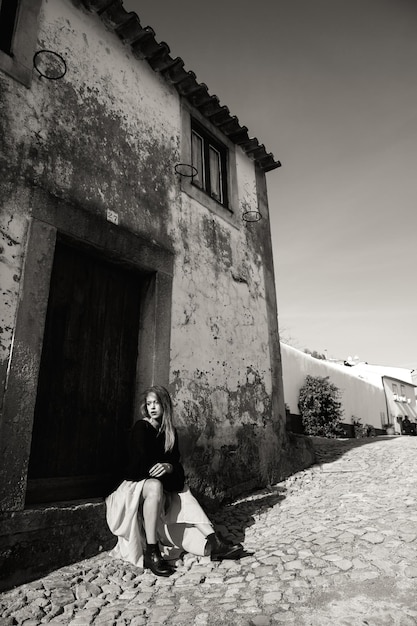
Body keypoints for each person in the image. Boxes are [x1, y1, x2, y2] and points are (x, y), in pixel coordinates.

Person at [106, 385, 243, 576]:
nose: (152, 407)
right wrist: (168, 472)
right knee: (156, 485)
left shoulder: (170, 433)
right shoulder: (141, 427)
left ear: (165, 405)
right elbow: (140, 467)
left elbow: (177, 472)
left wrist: (169, 467)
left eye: (156, 403)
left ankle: (213, 542)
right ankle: (153, 553)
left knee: (181, 491)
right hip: (132, 487)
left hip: (158, 491)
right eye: (149, 403)